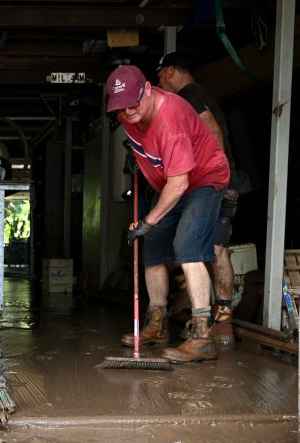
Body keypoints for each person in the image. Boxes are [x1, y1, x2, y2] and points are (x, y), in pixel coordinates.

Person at [106, 64, 230, 363]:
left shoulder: (171, 116)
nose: (128, 112)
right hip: (170, 184)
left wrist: (148, 221)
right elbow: (145, 147)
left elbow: (180, 182)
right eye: (121, 107)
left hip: (203, 180)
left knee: (187, 246)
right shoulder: (128, 114)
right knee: (153, 250)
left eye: (134, 104)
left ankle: (203, 336)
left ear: (148, 90)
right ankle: (156, 324)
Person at [156, 52, 247, 346]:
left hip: (215, 183)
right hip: (219, 182)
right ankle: (219, 320)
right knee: (209, 248)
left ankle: (218, 322)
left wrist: (211, 178)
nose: (160, 82)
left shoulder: (190, 95)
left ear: (170, 71)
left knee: (212, 249)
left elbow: (213, 131)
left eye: (159, 76)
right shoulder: (198, 94)